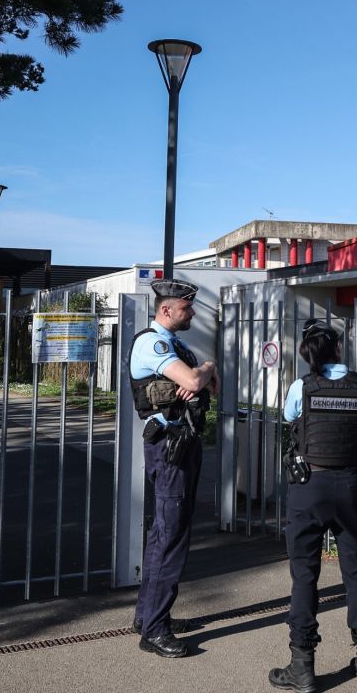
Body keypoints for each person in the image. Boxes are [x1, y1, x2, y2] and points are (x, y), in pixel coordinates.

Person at [270, 319, 357, 692]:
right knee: (356, 572)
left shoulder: (303, 386)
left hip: (309, 486)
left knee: (304, 575)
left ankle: (302, 667)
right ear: (337, 347)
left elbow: (289, 417)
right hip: (350, 486)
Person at [129, 279, 219, 659]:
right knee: (171, 535)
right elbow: (196, 380)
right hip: (171, 449)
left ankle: (149, 615)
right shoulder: (154, 343)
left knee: (163, 533)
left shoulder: (176, 345)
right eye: (186, 308)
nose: (193, 312)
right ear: (166, 310)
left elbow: (211, 386)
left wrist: (205, 372)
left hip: (181, 446)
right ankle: (155, 629)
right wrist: (201, 372)